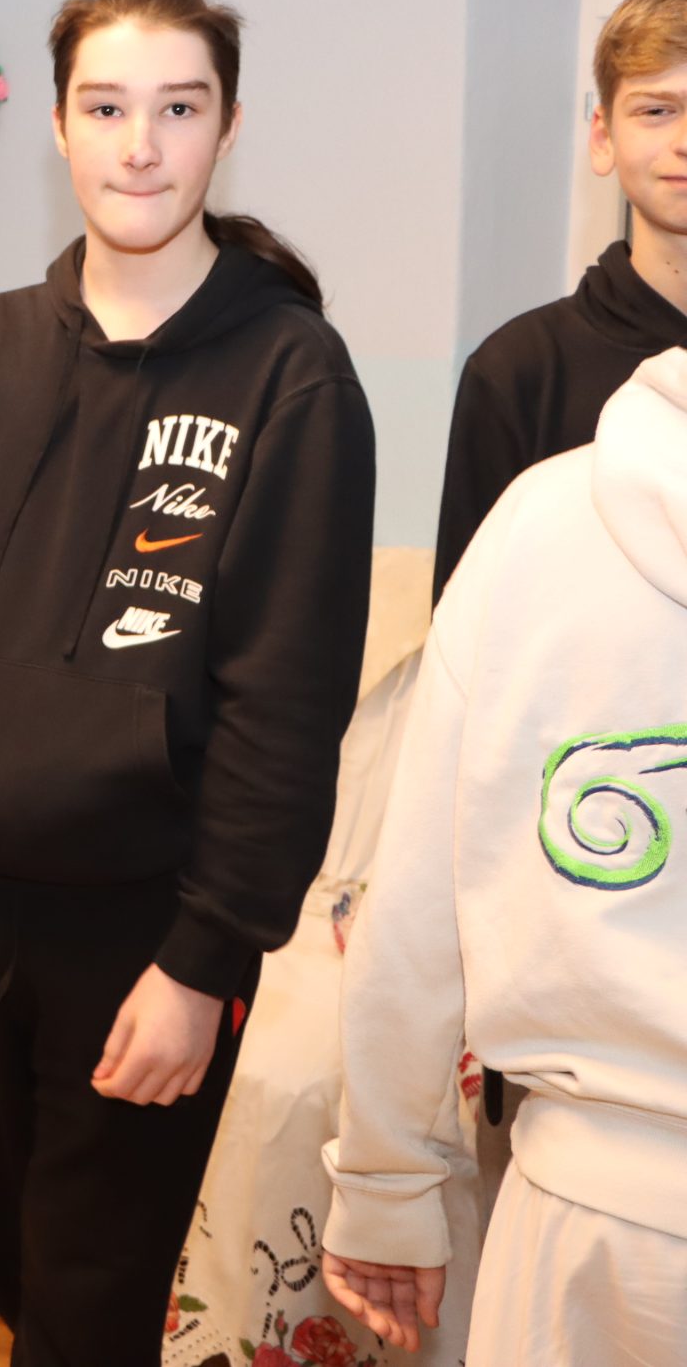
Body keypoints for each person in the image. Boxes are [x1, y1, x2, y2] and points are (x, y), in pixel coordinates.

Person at [0, 0, 377, 1365]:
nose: (140, 146)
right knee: (6, 1252)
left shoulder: (293, 377)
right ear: (60, 127)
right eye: (106, 107)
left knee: (90, 1303)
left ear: (227, 128)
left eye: (178, 109)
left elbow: (284, 703)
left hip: (145, 921)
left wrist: (204, 958)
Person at [322, 348, 687, 1364]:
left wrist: (388, 1180)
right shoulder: (539, 513)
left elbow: (417, 904)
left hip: (584, 1230)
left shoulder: (541, 525)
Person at [432, 0, 687, 599]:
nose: (685, 139)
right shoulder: (520, 372)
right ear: (603, 138)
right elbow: (468, 634)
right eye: (657, 109)